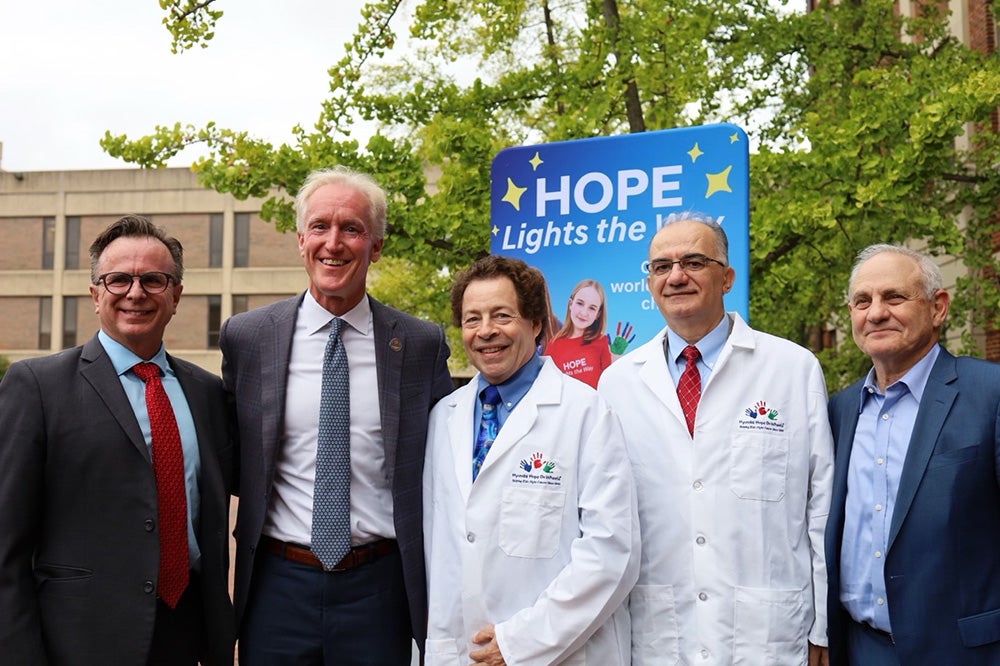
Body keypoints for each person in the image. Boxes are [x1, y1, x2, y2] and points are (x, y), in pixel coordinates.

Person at [220, 166, 453, 665]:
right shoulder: (247, 338)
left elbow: (443, 467)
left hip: (381, 588)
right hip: (276, 586)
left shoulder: (419, 343)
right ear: (300, 239)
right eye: (320, 227)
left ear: (377, 246)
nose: (334, 242)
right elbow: (231, 456)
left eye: (352, 228)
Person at [598, 212, 834, 666]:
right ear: (649, 284)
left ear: (726, 278)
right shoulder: (618, 383)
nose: (676, 276)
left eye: (693, 262)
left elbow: (819, 507)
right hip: (658, 634)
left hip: (767, 635)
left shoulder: (792, 368)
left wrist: (823, 624)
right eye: (661, 267)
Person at [0, 215, 236, 665]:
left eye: (153, 279)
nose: (135, 292)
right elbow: (6, 545)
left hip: (186, 632)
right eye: (118, 280)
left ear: (176, 295)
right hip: (78, 640)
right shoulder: (36, 386)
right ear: (95, 295)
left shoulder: (207, 393)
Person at [423, 255, 640, 665]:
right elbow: (441, 553)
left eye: (502, 316)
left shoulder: (586, 413)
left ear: (536, 324)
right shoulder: (443, 418)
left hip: (560, 652)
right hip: (462, 650)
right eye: (472, 319)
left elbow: (612, 553)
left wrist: (521, 642)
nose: (485, 331)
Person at [825, 244, 1000, 665]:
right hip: (859, 648)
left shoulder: (990, 394)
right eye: (862, 301)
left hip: (966, 653)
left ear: (938, 308)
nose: (876, 313)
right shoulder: (837, 411)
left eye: (894, 297)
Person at [544, 279, 613, 388]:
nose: (584, 312)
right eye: (580, 303)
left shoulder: (601, 342)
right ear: (570, 304)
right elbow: (548, 388)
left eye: (592, 308)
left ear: (598, 314)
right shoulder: (553, 346)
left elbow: (609, 386)